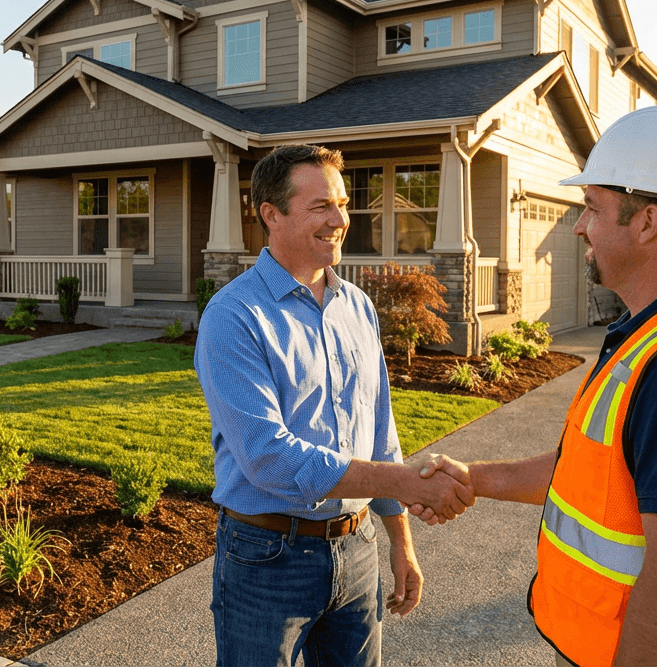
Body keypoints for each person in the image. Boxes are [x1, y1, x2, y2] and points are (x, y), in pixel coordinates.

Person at [411, 106, 657, 666]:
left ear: (646, 223)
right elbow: (597, 472)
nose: (578, 225)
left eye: (592, 208)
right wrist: (475, 479)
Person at [195, 144, 473, 667]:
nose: (342, 219)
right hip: (266, 558)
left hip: (358, 547)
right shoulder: (234, 315)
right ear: (271, 215)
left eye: (343, 203)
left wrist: (400, 539)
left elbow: (379, 431)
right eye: (321, 205)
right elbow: (267, 457)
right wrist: (405, 483)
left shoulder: (357, 306)